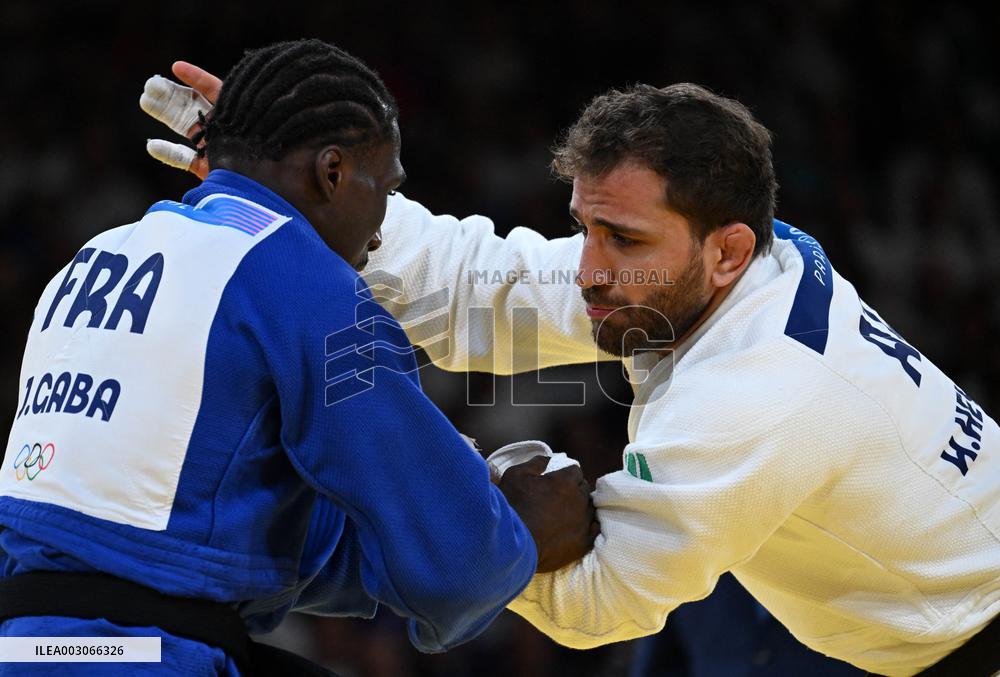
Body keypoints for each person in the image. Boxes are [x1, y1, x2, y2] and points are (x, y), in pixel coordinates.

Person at [145, 61, 1000, 676]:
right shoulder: (719, 270)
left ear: (728, 249)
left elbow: (602, 599)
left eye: (620, 237)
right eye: (584, 225)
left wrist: (469, 521)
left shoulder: (758, 392)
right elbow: (479, 287)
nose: (588, 267)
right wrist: (295, 184)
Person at [0, 39, 599, 676]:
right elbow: (457, 571)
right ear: (332, 172)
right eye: (386, 190)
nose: (381, 227)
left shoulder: (98, 257)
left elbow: (235, 522)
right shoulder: (311, 288)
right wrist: (522, 534)